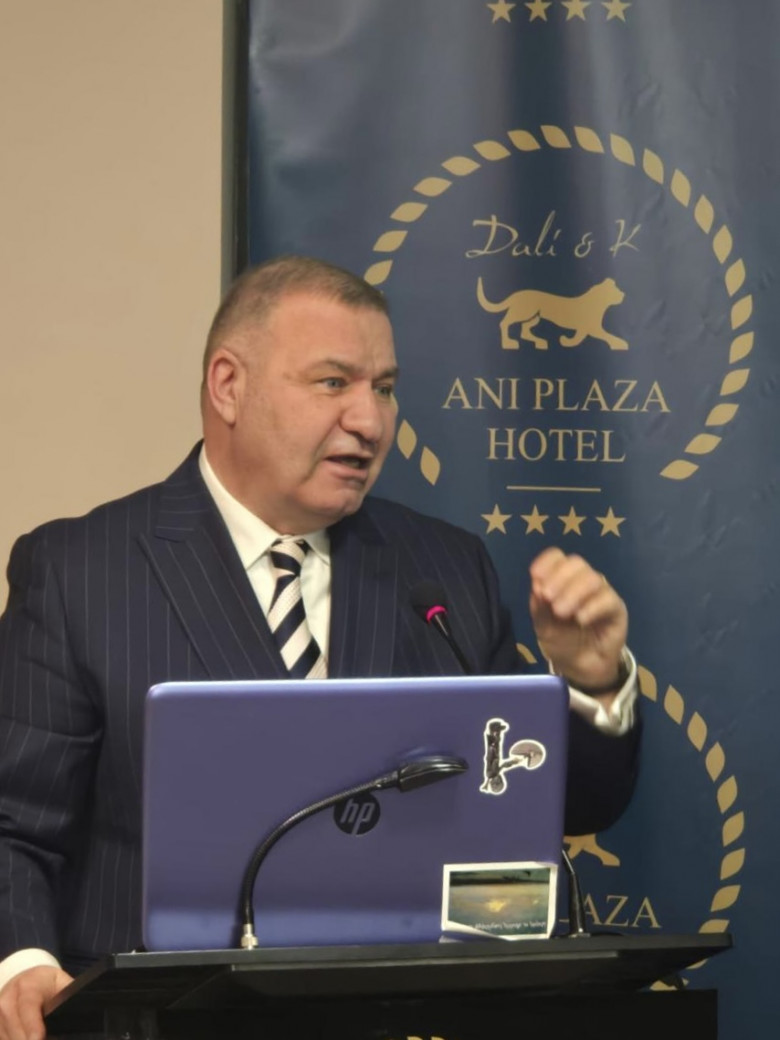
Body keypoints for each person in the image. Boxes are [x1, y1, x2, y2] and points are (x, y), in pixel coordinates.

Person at [0, 256, 639, 1039]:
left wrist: (591, 683)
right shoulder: (81, 571)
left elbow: (560, 812)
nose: (369, 421)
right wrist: (22, 960)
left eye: (385, 388)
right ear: (228, 386)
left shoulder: (444, 569)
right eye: (333, 383)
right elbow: (14, 822)